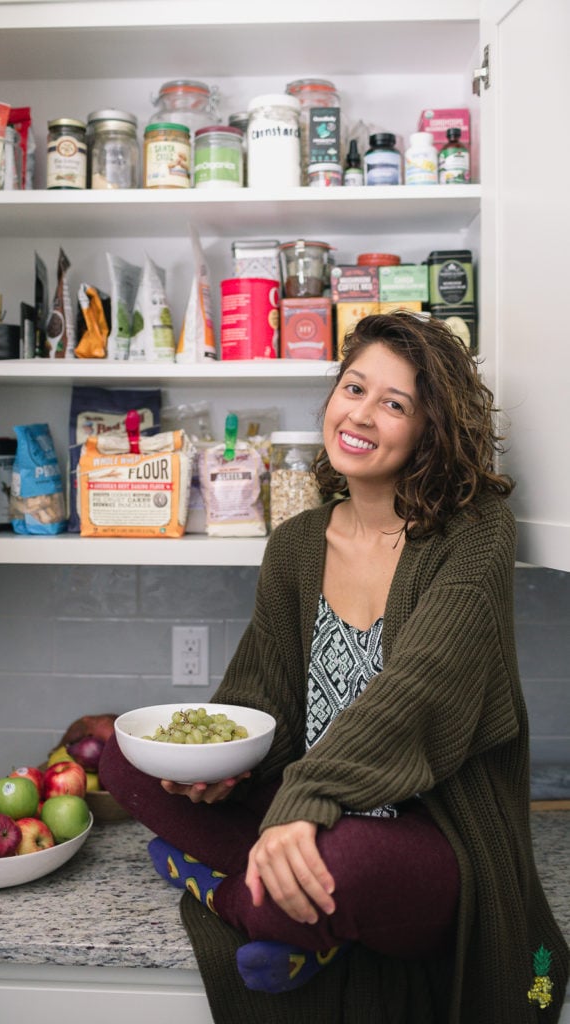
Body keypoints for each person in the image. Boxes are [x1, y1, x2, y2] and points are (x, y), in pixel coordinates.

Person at [100, 312, 569, 1024]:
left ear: (428, 432)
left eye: (394, 403)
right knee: (120, 757)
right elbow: (265, 693)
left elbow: (418, 690)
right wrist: (222, 765)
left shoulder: (473, 535)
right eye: (354, 387)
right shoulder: (295, 543)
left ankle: (230, 892)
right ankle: (281, 912)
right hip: (304, 807)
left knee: (338, 862)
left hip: (428, 828)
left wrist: (301, 805)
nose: (361, 413)